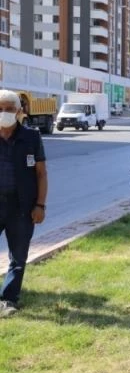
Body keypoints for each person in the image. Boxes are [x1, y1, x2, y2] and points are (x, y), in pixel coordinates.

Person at [0, 90, 48, 317]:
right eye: (0, 108)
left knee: (18, 257)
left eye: (9, 109)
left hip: (21, 207)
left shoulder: (31, 137)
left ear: (19, 112)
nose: (4, 113)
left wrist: (40, 205)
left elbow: (41, 174)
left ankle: (8, 299)